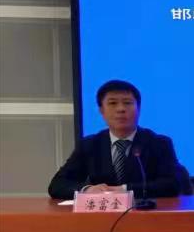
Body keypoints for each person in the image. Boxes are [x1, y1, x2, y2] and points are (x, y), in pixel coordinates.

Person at [48, 80, 181, 199]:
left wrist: (125, 190)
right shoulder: (90, 145)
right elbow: (57, 185)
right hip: (102, 215)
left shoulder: (159, 143)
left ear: (139, 108)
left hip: (145, 215)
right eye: (112, 103)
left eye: (127, 103)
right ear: (101, 110)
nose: (121, 109)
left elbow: (172, 185)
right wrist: (87, 190)